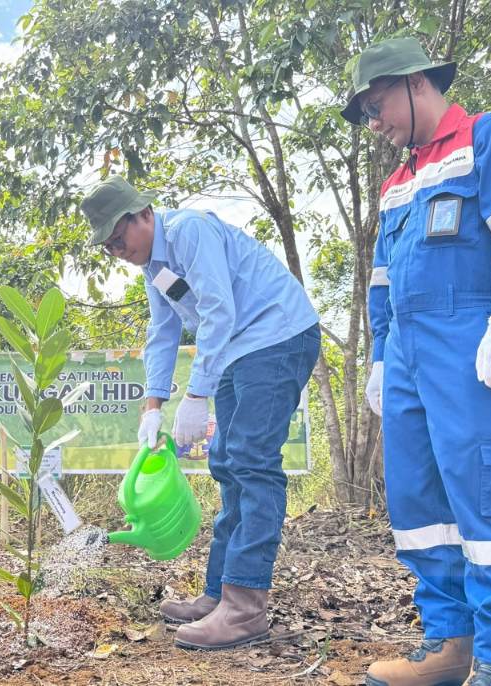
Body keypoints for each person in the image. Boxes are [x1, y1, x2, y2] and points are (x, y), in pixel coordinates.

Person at [341, 38, 491, 685]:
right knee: (417, 500)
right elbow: (381, 281)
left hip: (470, 343)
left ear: (416, 84)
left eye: (378, 108)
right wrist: (379, 358)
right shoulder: (396, 184)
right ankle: (448, 641)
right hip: (405, 353)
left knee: (485, 494)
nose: (376, 125)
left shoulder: (489, 138)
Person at [80, 176, 320, 650]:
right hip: (238, 350)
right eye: (108, 247)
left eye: (118, 238)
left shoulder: (189, 231)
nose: (117, 251)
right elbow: (163, 333)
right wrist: (153, 406)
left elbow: (218, 310)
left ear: (143, 214)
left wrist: (195, 395)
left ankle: (246, 608)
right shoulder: (154, 269)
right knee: (227, 464)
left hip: (275, 336)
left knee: (251, 462)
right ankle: (219, 593)